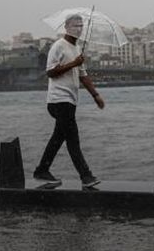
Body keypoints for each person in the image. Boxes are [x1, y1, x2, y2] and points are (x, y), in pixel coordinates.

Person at [33, 14, 103, 188]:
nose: (79, 29)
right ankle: (86, 177)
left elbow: (83, 76)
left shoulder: (77, 49)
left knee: (58, 138)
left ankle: (42, 170)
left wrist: (95, 95)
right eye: (75, 26)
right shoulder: (58, 46)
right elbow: (50, 72)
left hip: (70, 101)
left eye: (81, 26)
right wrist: (73, 63)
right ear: (66, 27)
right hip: (58, 100)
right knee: (73, 139)